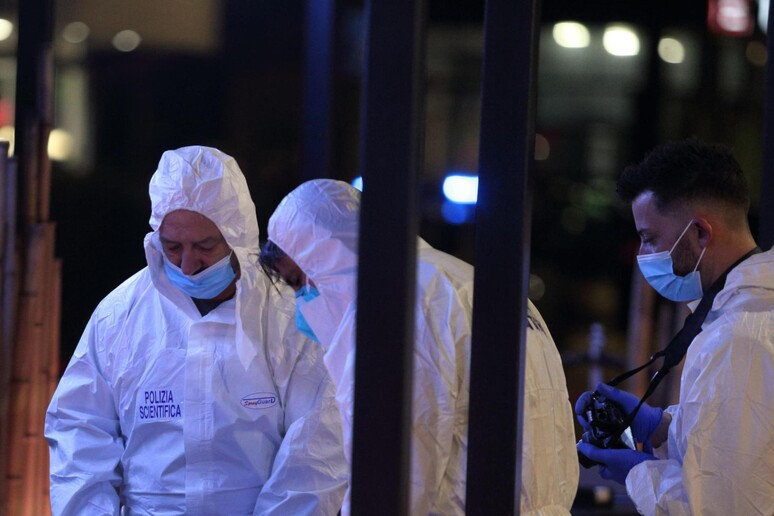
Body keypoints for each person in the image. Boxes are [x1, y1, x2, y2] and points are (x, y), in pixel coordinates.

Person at [44, 147, 348, 515]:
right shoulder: (120, 316)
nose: (188, 265)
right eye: (172, 247)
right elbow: (79, 431)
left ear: (238, 237)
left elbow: (315, 449)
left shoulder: (287, 316)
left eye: (205, 246)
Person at [260, 179, 579, 515]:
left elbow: (395, 474)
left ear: (329, 260)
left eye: (299, 282)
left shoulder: (402, 302)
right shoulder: (470, 281)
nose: (302, 302)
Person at [575, 138, 774, 514]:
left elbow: (723, 506)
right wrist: (662, 427)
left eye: (649, 239)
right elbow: (748, 445)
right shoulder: (752, 313)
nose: (643, 255)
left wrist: (639, 473)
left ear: (700, 232)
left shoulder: (738, 338)